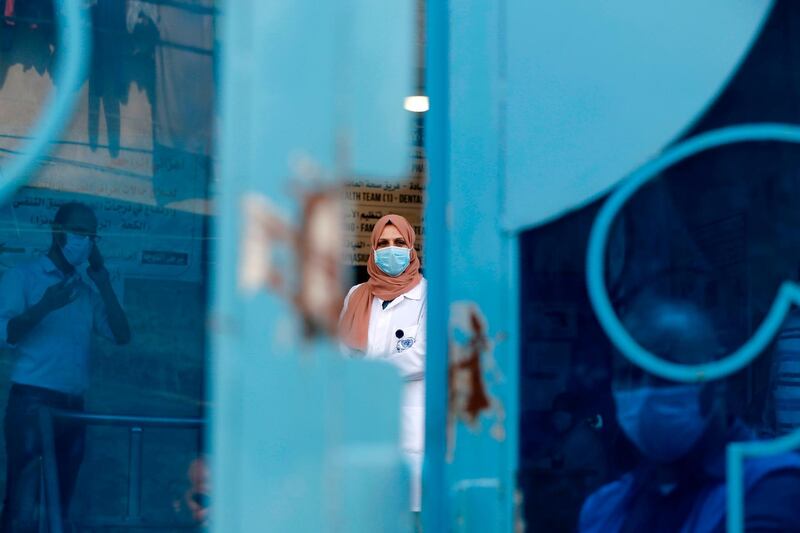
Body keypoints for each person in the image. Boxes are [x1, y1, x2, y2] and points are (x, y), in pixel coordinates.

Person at [579, 295, 800, 533]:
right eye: (628, 376)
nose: (646, 393)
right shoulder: (606, 507)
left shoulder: (771, 487)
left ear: (717, 378)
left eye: (666, 371)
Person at [0, 202, 131, 532]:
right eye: (79, 232)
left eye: (92, 235)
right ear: (58, 232)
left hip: (74, 406)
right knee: (23, 501)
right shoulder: (24, 275)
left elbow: (121, 335)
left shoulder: (84, 291)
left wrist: (101, 280)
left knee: (60, 503)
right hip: (32, 402)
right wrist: (43, 307)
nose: (86, 241)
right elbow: (5, 333)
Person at [338, 214, 426, 518]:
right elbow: (342, 353)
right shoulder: (357, 295)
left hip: (411, 429)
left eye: (399, 242)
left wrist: (369, 372)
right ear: (373, 250)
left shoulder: (428, 296)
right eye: (384, 243)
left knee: (409, 514)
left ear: (412, 247)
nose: (392, 250)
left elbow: (422, 356)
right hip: (365, 423)